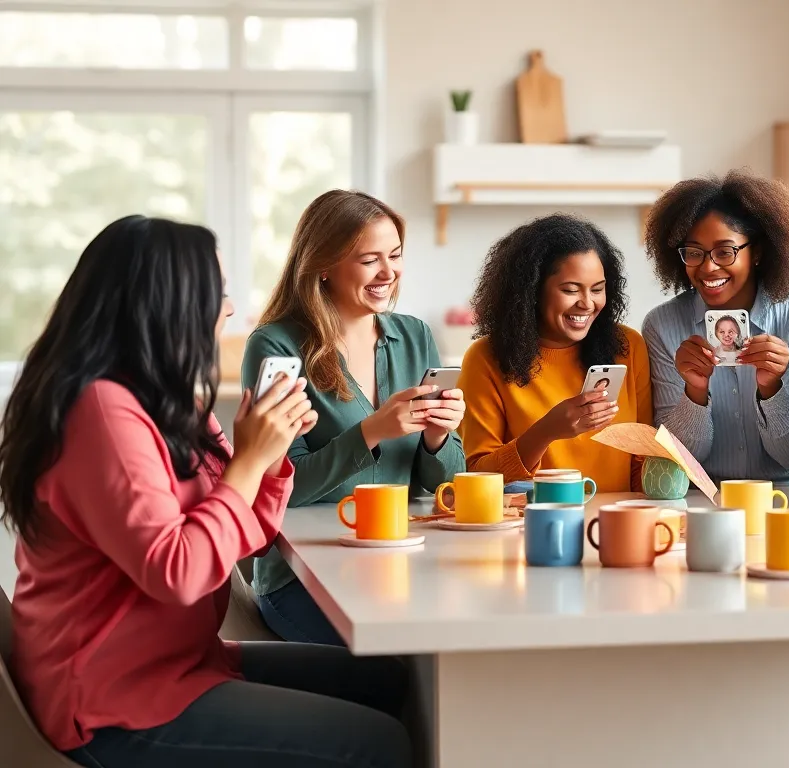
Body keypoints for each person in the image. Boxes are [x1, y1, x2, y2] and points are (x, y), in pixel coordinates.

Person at [0, 216, 411, 768]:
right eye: (216, 291)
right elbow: (177, 572)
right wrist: (247, 463)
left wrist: (266, 462)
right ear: (169, 303)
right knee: (378, 743)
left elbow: (248, 544)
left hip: (181, 660)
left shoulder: (170, 403)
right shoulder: (100, 411)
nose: (231, 308)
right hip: (115, 699)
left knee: (388, 678)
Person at [243, 190, 466, 645]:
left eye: (396, 255)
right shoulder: (276, 346)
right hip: (303, 576)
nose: (389, 273)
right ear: (323, 265)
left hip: (399, 561)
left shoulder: (414, 334)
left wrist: (438, 440)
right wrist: (372, 431)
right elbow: (281, 488)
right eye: (370, 260)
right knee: (392, 663)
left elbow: (442, 487)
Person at [642, 170, 789, 484]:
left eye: (725, 251)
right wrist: (695, 392)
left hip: (787, 497)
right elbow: (678, 459)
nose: (708, 266)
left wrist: (771, 389)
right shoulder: (662, 325)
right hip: (704, 496)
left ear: (757, 251)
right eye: (693, 252)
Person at [458, 213, 652, 491]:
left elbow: (642, 457)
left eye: (597, 289)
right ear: (532, 291)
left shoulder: (627, 346)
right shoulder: (486, 357)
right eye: (570, 290)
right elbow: (476, 475)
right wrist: (546, 431)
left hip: (614, 520)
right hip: (531, 524)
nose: (587, 303)